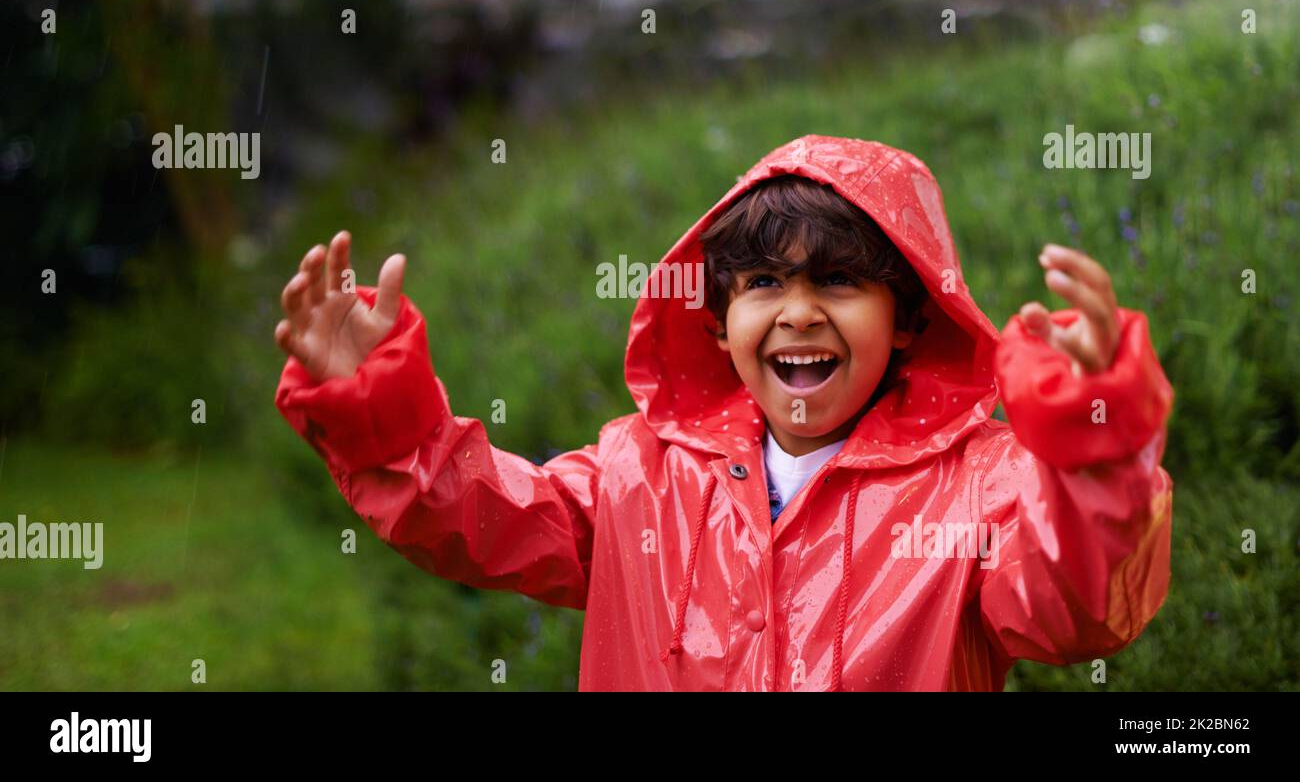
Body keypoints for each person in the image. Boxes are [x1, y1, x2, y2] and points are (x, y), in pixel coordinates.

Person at [274, 135, 1174, 691]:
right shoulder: (639, 473)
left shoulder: (982, 487)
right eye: (762, 283)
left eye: (839, 280)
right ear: (717, 321)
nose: (797, 311)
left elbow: (1075, 612)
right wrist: (377, 408)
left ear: (907, 321)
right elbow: (472, 516)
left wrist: (1094, 443)